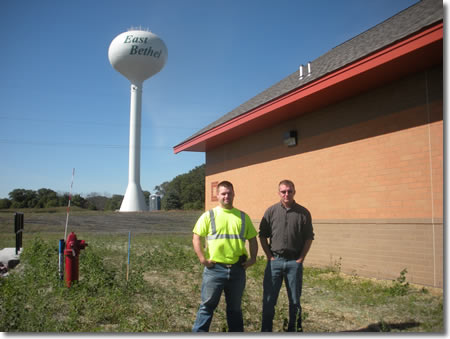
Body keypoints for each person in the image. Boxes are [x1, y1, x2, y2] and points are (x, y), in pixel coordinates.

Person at [192, 180, 258, 332]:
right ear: (217, 195)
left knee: (235, 309)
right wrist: (202, 258)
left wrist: (253, 259)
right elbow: (196, 237)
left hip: (237, 270)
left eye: (229, 193)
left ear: (234, 194)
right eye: (223, 193)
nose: (226, 196)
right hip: (214, 270)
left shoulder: (242, 217)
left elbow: (253, 239)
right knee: (207, 307)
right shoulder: (209, 215)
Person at [259, 179, 314, 332]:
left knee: (295, 301)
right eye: (283, 191)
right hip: (274, 262)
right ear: (279, 193)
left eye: (289, 191)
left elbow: (309, 237)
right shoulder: (271, 211)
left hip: (293, 263)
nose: (286, 194)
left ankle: (294, 330)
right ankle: (266, 331)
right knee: (269, 301)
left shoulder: (303, 213)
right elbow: (262, 236)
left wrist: (300, 259)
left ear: (294, 192)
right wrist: (269, 257)